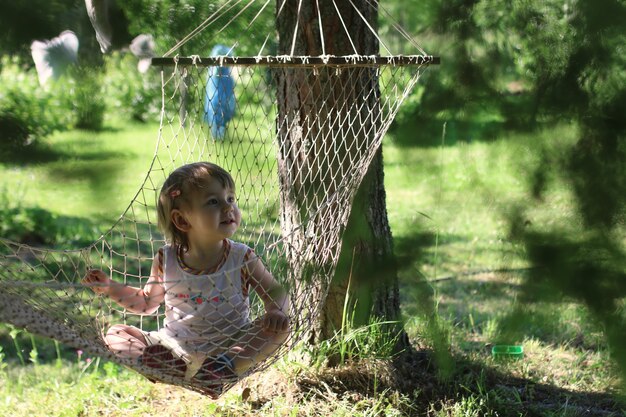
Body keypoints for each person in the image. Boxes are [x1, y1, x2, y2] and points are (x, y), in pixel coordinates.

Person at [83, 162, 290, 397]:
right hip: (174, 348)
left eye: (230, 199)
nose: (228, 207)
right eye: (214, 201)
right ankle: (160, 366)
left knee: (280, 329)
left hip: (232, 345)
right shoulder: (167, 259)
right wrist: (110, 287)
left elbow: (275, 291)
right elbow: (146, 303)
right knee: (116, 333)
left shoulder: (242, 257)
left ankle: (218, 371)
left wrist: (276, 311)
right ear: (182, 221)